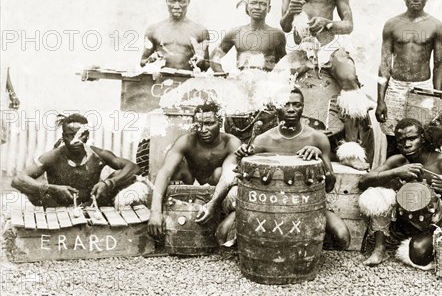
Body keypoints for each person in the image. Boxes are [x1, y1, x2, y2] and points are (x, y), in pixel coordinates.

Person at [280, 0, 371, 169]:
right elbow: (284, 25)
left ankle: (351, 150)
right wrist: (291, 11)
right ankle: (281, 142)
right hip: (302, 48)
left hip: (330, 46)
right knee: (275, 85)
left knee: (349, 78)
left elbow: (348, 25)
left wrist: (327, 23)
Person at [235, 87, 351, 250]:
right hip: (269, 206)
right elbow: (244, 176)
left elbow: (330, 185)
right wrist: (241, 157)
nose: (291, 109)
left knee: (342, 237)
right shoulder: (263, 139)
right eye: (285, 104)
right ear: (277, 107)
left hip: (306, 205)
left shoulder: (317, 138)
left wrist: (318, 156)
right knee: (224, 232)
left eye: (296, 105)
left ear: (303, 107)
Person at [358, 118, 442, 268]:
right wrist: (396, 172)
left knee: (418, 252)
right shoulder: (397, 162)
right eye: (401, 141)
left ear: (423, 138)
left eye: (412, 139)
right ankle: (380, 248)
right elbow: (363, 182)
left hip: (435, 225)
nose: (406, 145)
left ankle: (414, 242)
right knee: (376, 193)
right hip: (404, 221)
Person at [148, 102, 241, 244]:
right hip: (191, 187)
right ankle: (173, 218)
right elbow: (164, 172)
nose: (203, 129)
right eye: (199, 124)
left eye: (209, 123)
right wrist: (155, 212)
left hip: (217, 191)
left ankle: (222, 221)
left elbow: (227, 177)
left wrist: (213, 203)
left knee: (220, 174)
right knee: (177, 168)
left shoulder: (231, 142)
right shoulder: (186, 141)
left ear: (220, 122)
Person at [376, 0, 442, 157]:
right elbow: (384, 63)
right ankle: (392, 181)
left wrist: (437, 100)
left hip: (422, 89)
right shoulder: (392, 24)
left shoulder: (435, 25)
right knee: (394, 138)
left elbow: (439, 65)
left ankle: (419, 182)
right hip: (396, 88)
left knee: (423, 137)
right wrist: (380, 100)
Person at [11, 114, 140, 207]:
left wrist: (108, 184)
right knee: (29, 191)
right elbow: (17, 180)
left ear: (87, 136)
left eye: (80, 135)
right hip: (56, 206)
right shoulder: (52, 156)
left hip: (91, 206)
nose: (75, 141)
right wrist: (52, 189)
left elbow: (133, 167)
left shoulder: (98, 154)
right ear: (63, 137)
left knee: (122, 177)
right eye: (69, 135)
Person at [210, 0, 286, 73]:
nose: (257, 7)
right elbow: (214, 58)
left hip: (265, 84)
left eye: (263, 4)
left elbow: (284, 64)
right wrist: (223, 76)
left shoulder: (277, 35)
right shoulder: (236, 33)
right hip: (242, 83)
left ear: (269, 8)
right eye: (253, 3)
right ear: (247, 7)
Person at [140, 0, 210, 71]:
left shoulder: (200, 31)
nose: (176, 6)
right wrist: (151, 59)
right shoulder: (153, 30)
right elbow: (142, 62)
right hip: (161, 82)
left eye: (182, 1)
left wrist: (200, 62)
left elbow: (207, 65)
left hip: (188, 83)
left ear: (188, 2)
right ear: (166, 1)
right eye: (172, 1)